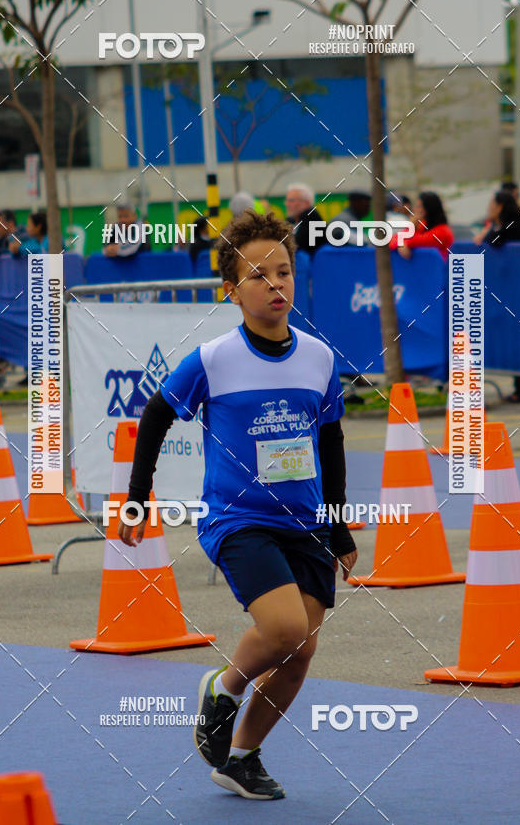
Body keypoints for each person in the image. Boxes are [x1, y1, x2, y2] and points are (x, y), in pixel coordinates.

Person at [119, 210, 357, 801]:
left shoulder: (319, 359)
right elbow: (155, 413)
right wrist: (135, 497)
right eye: (258, 276)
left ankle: (242, 757)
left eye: (284, 272)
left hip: (305, 522)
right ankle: (222, 689)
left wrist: (339, 524)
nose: (275, 285)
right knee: (282, 630)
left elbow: (329, 440)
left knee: (301, 652)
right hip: (239, 518)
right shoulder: (214, 359)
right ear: (233, 290)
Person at [482, 190, 520, 402]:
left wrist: (487, 232)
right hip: (513, 291)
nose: (489, 207)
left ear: (500, 206)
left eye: (492, 204)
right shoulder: (511, 225)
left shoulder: (515, 226)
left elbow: (493, 240)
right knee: (514, 337)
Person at [389, 191, 453, 261]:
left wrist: (411, 225)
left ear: (429, 209)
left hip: (436, 269)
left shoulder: (443, 231)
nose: (414, 209)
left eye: (419, 206)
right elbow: (392, 239)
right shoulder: (423, 225)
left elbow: (416, 240)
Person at [285, 182, 327, 254]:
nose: (286, 204)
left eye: (291, 201)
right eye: (287, 200)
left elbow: (298, 245)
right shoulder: (291, 220)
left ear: (306, 203)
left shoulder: (312, 218)